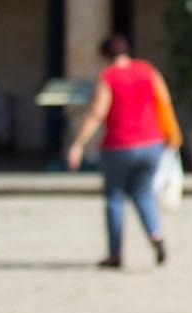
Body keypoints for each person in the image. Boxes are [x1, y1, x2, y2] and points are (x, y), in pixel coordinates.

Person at [67, 33, 182, 270]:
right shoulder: (147, 70)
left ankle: (115, 254)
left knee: (115, 197)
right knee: (143, 193)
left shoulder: (108, 77)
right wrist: (172, 134)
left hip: (118, 146)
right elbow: (164, 101)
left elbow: (97, 112)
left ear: (104, 56)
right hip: (151, 144)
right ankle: (155, 234)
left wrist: (78, 144)